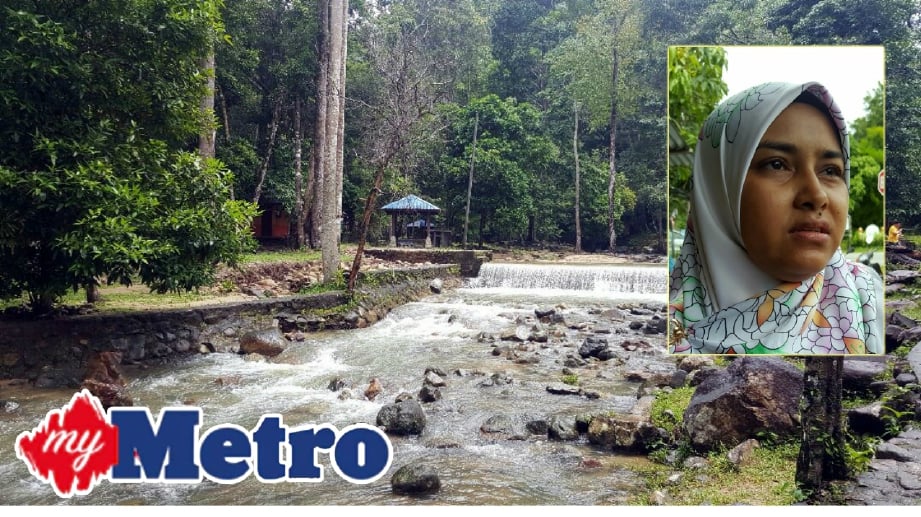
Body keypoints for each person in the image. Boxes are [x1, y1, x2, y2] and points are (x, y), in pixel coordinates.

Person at [669, 81, 883, 355]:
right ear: (718, 188)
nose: (816, 195)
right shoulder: (655, 326)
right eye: (777, 164)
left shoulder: (872, 302)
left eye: (830, 170)